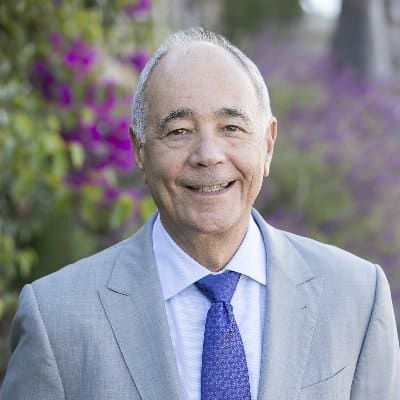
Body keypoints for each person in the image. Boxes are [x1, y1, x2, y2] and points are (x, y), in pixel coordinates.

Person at [1, 27, 399, 400]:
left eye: (231, 127)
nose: (208, 155)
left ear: (268, 145)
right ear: (140, 150)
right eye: (179, 131)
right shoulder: (56, 317)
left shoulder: (357, 297)